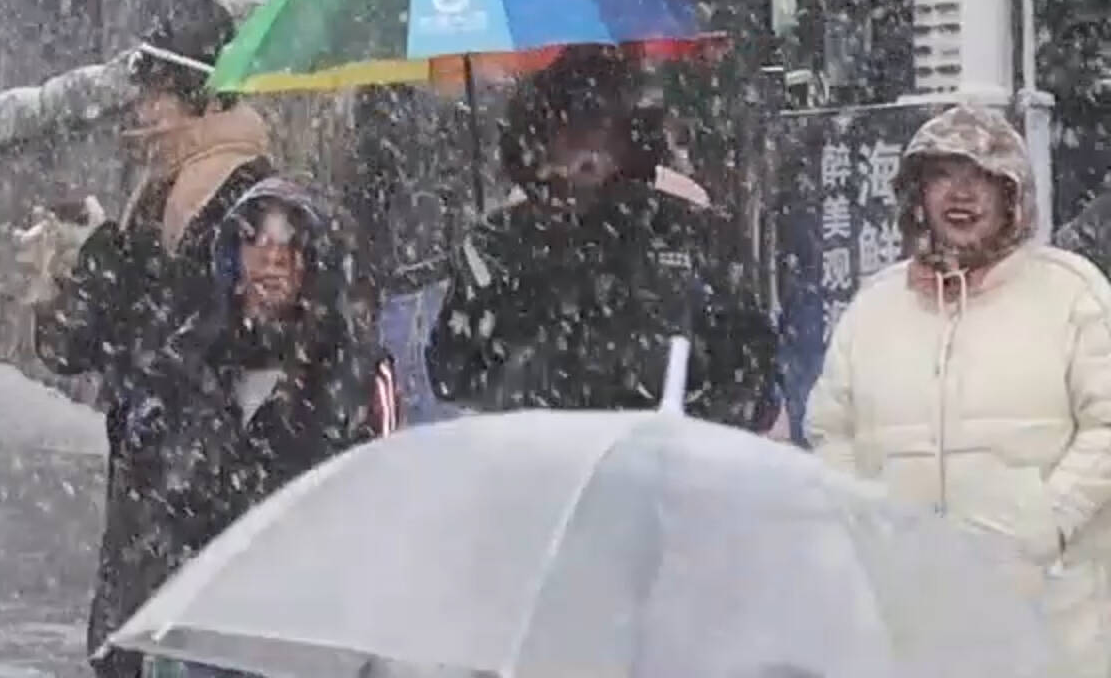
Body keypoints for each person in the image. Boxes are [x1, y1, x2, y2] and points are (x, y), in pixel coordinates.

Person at [812, 102, 1111, 663]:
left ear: (1011, 194)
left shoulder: (1072, 294)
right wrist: (868, 526)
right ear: (916, 194)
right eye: (943, 174)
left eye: (982, 177)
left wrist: (1044, 526)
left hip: (1051, 624)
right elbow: (832, 432)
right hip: (913, 622)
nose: (962, 193)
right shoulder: (874, 308)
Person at [36, 0, 277, 678]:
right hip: (155, 474)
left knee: (183, 647)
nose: (141, 114)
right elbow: (75, 346)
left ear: (200, 98)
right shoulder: (159, 193)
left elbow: (214, 338)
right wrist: (71, 273)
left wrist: (115, 284)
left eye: (156, 97)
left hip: (206, 483)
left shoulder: (244, 197)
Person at [428, 47, 776, 426]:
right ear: (536, 138)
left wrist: (693, 421)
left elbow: (752, 376)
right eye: (568, 128)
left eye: (600, 125)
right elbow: (450, 376)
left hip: (666, 470)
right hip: (533, 470)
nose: (585, 150)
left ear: (631, 137)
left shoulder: (686, 236)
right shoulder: (494, 250)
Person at [133, 181, 384, 596]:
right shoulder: (188, 358)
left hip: (302, 602)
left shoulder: (352, 369)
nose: (273, 259)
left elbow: (368, 495)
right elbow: (147, 481)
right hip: (194, 599)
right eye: (258, 241)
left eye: (290, 245)